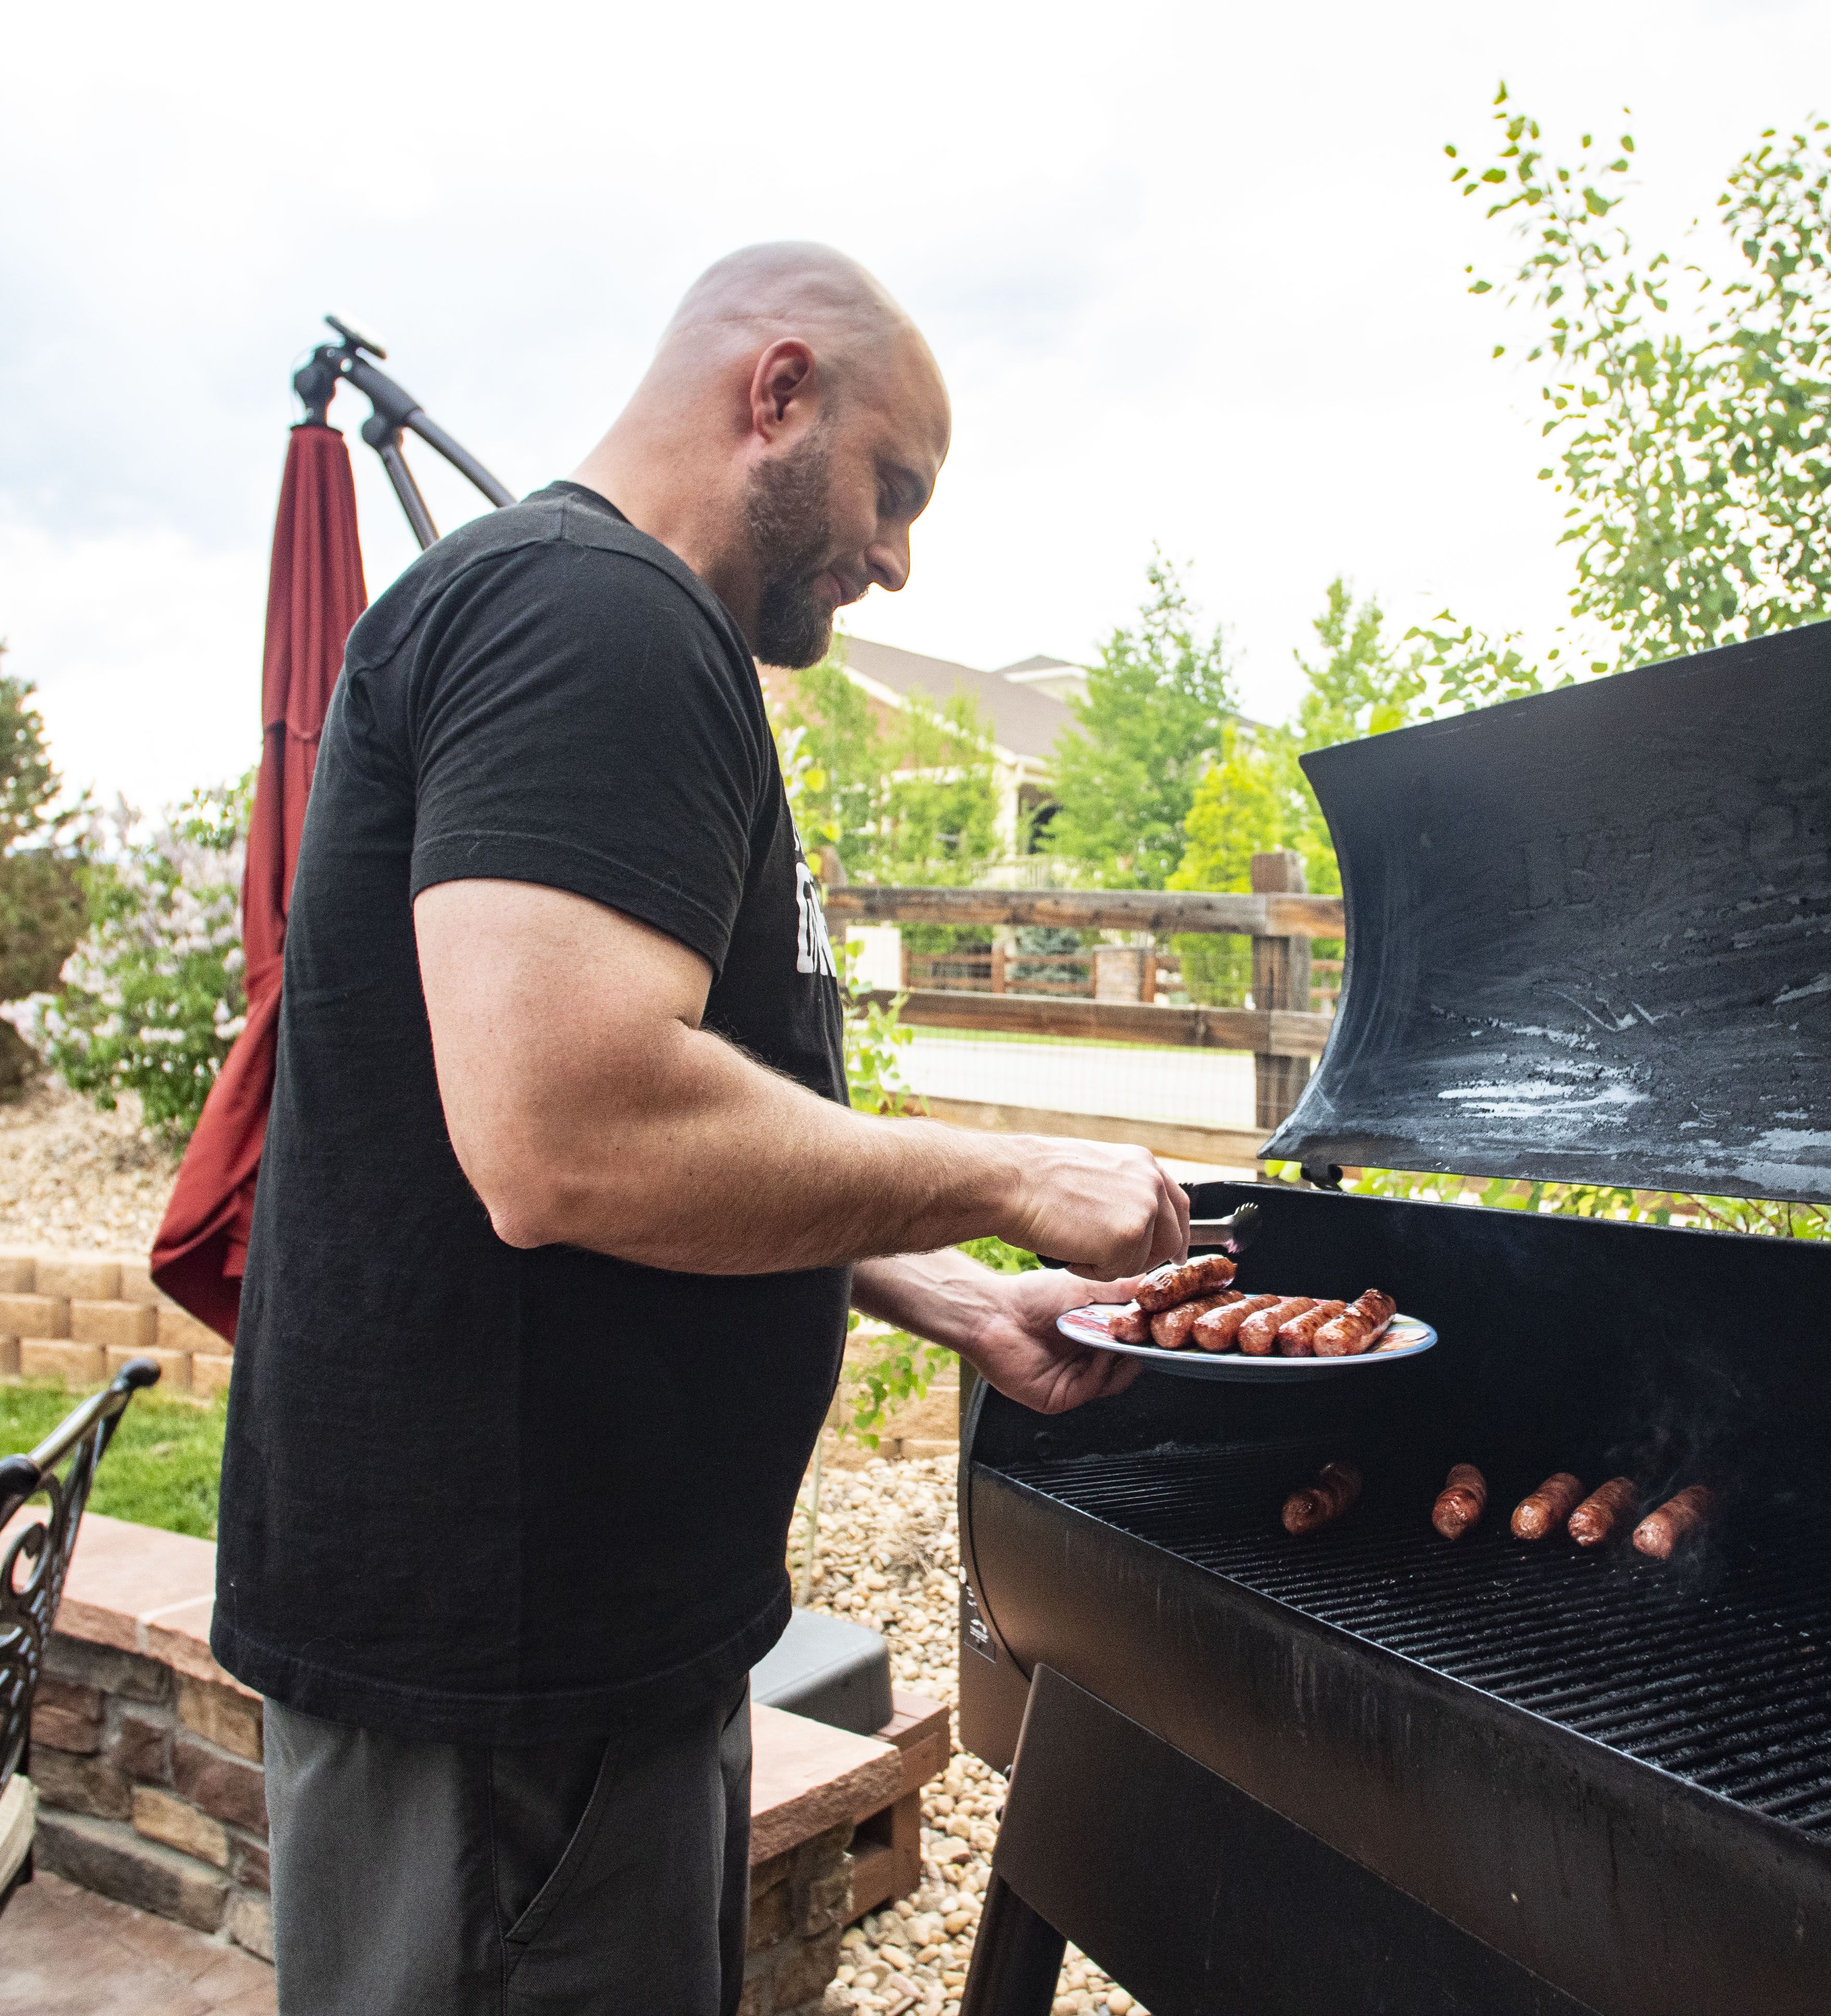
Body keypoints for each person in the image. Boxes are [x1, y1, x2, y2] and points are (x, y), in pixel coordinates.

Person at [212, 243, 1187, 2016]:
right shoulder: (600, 620)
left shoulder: (593, 626)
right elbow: (565, 1131)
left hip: (565, 1665)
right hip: (511, 1691)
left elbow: (689, 1126)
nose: (897, 553)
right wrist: (1014, 1171)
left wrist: (961, 1297)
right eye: (896, 489)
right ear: (779, 390)